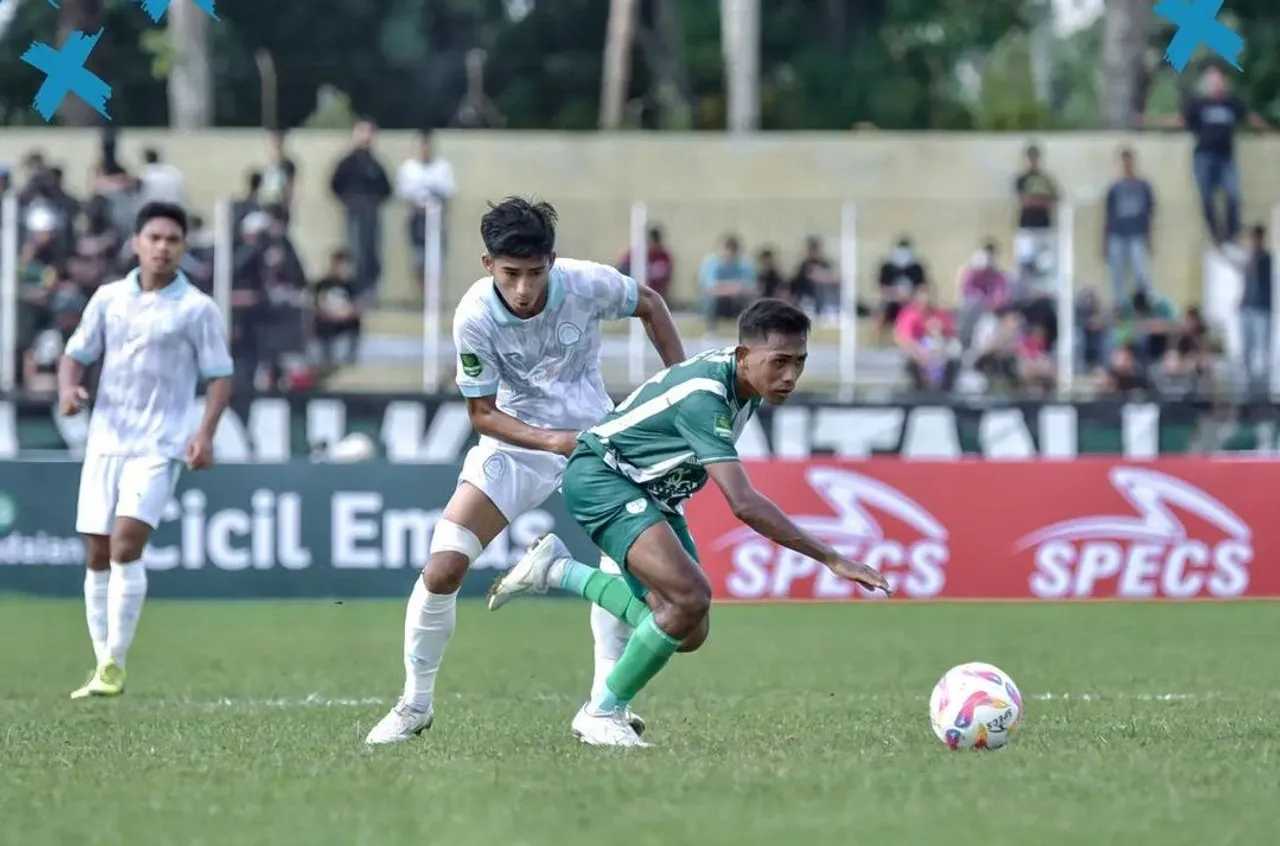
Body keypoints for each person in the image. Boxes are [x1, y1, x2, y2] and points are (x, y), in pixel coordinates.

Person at [486, 299, 891, 747]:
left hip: (652, 490)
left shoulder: (746, 385)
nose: (791, 376)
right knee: (689, 598)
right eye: (779, 362)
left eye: (799, 362)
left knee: (688, 630)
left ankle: (558, 570)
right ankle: (601, 711)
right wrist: (831, 557)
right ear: (744, 356)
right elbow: (744, 503)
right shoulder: (706, 397)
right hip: (605, 478)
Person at [364, 196, 686, 745]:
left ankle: (607, 707)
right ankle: (414, 705)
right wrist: (555, 440)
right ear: (488, 264)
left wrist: (679, 389)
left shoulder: (585, 284)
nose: (523, 288)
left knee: (621, 567)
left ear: (552, 262)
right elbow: (481, 413)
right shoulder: (472, 316)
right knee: (443, 568)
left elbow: (651, 303)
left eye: (535, 273)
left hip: (595, 441)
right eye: (511, 274)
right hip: (517, 443)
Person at [59, 201, 234, 699]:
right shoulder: (109, 299)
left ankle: (115, 661)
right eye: (154, 237)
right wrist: (68, 392)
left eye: (172, 240)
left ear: (182, 247)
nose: (162, 247)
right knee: (96, 550)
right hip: (106, 439)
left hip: (160, 443)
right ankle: (101, 662)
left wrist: (205, 431)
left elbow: (220, 374)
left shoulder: (197, 307)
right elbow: (76, 355)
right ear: (136, 242)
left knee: (125, 545)